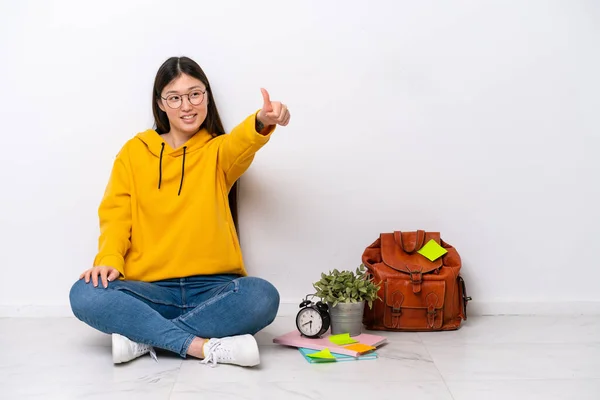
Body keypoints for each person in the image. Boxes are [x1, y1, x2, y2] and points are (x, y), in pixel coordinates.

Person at [69, 56, 290, 367]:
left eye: (195, 94)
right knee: (84, 293)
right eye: (174, 97)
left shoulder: (217, 151)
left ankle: (145, 337)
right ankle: (202, 346)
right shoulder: (134, 152)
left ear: (207, 97)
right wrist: (108, 260)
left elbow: (242, 143)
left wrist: (261, 120)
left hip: (213, 289)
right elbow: (116, 215)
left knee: (262, 296)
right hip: (150, 290)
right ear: (160, 104)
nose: (187, 106)